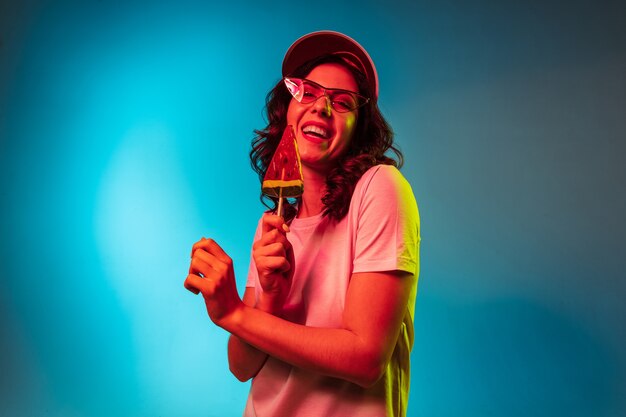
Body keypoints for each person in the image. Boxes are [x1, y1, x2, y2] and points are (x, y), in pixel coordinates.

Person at [184, 31, 420, 417]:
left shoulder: (380, 189)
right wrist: (271, 293)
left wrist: (235, 312)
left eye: (342, 102)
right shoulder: (276, 226)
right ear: (287, 109)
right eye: (307, 93)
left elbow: (365, 358)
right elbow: (242, 367)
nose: (321, 108)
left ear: (360, 128)